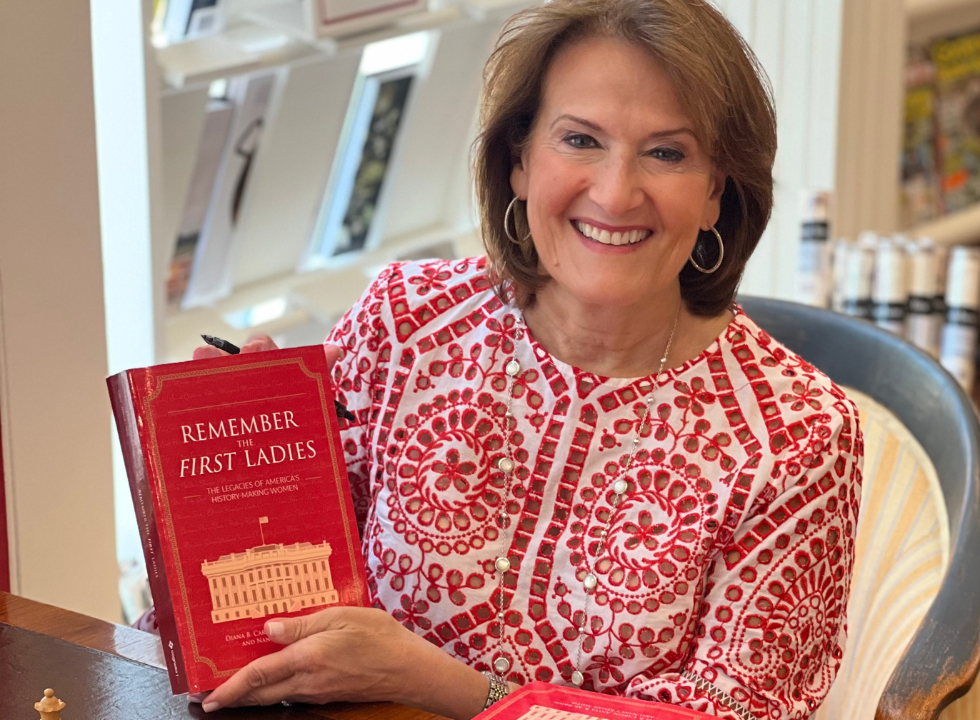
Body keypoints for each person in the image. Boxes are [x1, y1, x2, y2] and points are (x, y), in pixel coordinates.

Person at [170, 0, 864, 716]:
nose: (616, 192)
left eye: (666, 152)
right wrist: (242, 459)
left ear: (717, 190)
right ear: (519, 162)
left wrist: (448, 690)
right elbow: (280, 601)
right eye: (580, 140)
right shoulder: (406, 321)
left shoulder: (798, 436)